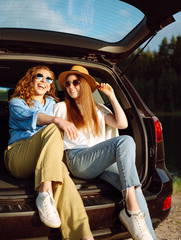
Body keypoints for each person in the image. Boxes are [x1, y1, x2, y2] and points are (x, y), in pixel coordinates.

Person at [53, 65, 157, 240]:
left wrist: (112, 96)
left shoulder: (100, 109)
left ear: (85, 84)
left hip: (101, 162)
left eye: (76, 82)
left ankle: (146, 232)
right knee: (125, 141)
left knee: (135, 188)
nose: (70, 87)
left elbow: (122, 124)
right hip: (79, 159)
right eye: (67, 84)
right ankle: (131, 211)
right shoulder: (61, 108)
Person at [4, 65, 93, 240]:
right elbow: (34, 118)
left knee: (64, 179)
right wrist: (57, 120)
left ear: (51, 85)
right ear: (31, 79)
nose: (44, 81)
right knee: (53, 128)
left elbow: (75, 108)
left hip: (46, 159)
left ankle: (84, 235)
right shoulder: (17, 102)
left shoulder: (53, 104)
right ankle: (44, 193)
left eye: (48, 79)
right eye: (39, 76)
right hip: (19, 157)